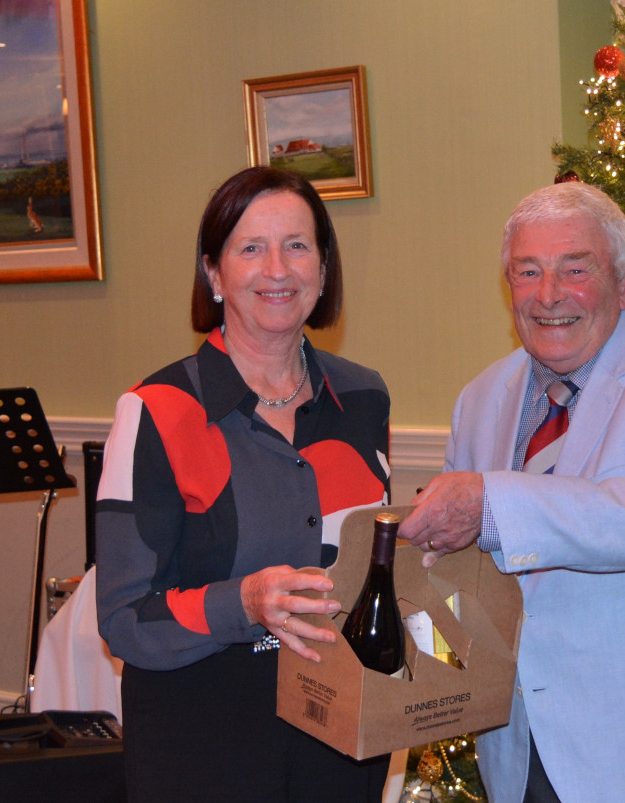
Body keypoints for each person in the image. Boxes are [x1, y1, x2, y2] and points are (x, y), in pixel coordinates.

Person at [399, 181, 625, 802]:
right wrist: (409, 651)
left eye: (576, 269)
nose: (549, 294)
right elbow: (459, 573)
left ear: (624, 282)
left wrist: (490, 504)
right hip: (520, 752)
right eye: (528, 271)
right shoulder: (481, 397)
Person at [95, 167, 392, 802]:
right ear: (213, 273)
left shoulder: (364, 397)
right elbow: (124, 619)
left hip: (341, 735)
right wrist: (246, 604)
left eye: (297, 245)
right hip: (204, 742)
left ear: (323, 268)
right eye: (251, 247)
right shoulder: (155, 411)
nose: (277, 269)